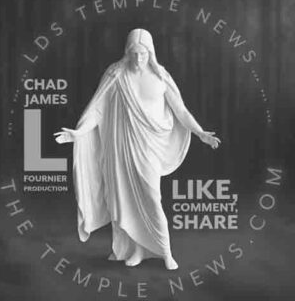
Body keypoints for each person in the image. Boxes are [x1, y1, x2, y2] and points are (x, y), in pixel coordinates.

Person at [55, 28, 221, 272]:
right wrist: (78, 133)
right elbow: (97, 110)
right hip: (122, 148)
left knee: (152, 198)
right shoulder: (115, 75)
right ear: (127, 52)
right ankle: (136, 250)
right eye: (134, 53)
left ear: (150, 53)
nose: (138, 59)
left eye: (143, 53)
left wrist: (200, 132)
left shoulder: (161, 76)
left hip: (150, 147)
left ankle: (165, 252)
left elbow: (181, 111)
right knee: (126, 199)